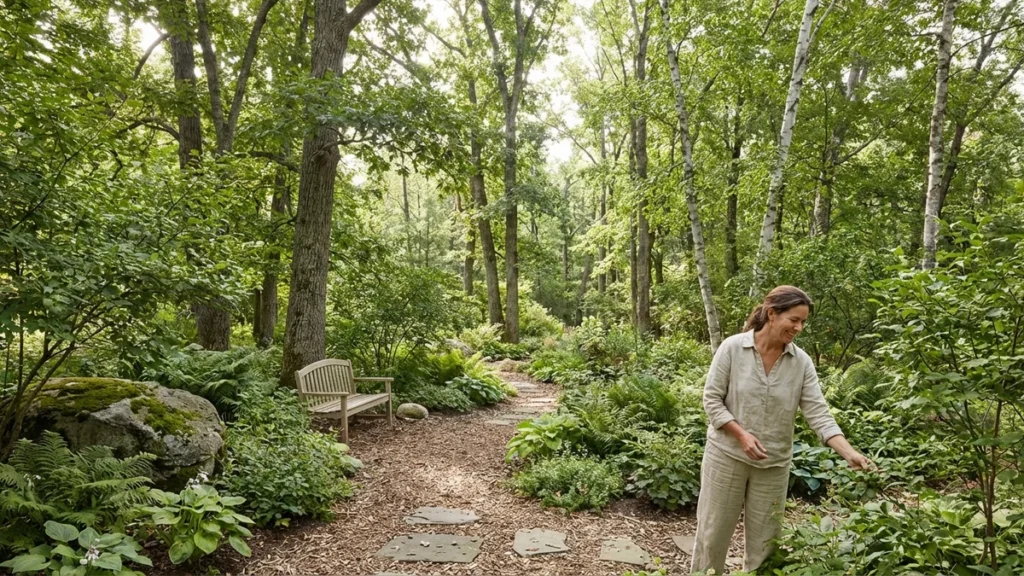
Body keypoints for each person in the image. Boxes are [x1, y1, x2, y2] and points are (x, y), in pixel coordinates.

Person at [690, 285, 871, 574]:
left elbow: (819, 414)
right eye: (794, 320)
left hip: (773, 465)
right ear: (772, 314)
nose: (799, 328)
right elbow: (711, 400)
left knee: (766, 546)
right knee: (713, 537)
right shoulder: (733, 348)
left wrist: (849, 453)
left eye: (803, 322)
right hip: (726, 458)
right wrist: (741, 434)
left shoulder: (801, 363)